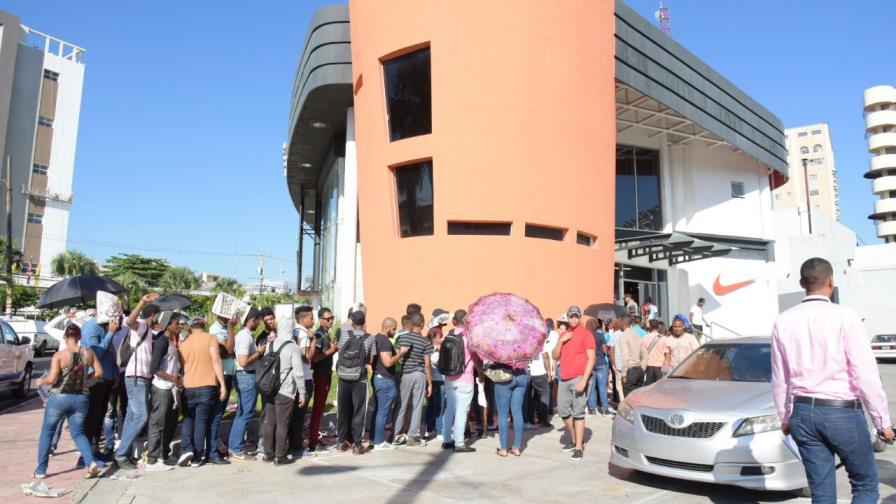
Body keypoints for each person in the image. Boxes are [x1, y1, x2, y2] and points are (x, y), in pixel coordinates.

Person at [771, 257, 894, 503]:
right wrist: (883, 423)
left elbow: (780, 377)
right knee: (865, 486)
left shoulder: (783, 321)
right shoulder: (845, 317)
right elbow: (865, 374)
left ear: (801, 283)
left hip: (803, 412)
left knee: (822, 491)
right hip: (842, 412)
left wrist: (785, 417)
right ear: (831, 282)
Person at [35, 324, 104, 479]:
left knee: (47, 433)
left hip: (59, 397)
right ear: (79, 337)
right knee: (78, 433)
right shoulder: (89, 352)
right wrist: (86, 382)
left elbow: (52, 379)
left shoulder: (59, 355)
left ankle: (40, 470)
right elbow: (99, 372)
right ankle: (90, 463)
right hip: (81, 398)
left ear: (65, 337)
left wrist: (40, 381)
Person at [114, 293, 160, 469]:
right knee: (141, 416)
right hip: (135, 378)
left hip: (142, 378)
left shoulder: (150, 333)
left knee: (132, 417)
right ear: (153, 316)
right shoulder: (141, 326)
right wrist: (142, 301)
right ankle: (121, 453)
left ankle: (123, 453)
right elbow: (129, 321)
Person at [179, 317, 228, 467]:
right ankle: (197, 455)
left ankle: (187, 449)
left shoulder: (184, 343)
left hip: (188, 386)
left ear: (190, 328)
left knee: (188, 418)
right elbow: (216, 360)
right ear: (204, 325)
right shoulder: (210, 338)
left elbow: (182, 365)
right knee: (201, 420)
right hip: (207, 385)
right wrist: (223, 384)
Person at [79, 292, 121, 459]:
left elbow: (111, 352)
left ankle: (95, 450)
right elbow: (94, 353)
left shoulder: (105, 326)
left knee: (101, 414)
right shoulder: (91, 327)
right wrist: (110, 334)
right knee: (92, 416)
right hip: (96, 378)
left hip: (108, 378)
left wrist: (116, 372)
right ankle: (86, 455)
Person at [261, 315, 307, 465]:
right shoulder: (293, 347)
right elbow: (299, 373)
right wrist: (302, 392)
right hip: (285, 390)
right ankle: (280, 456)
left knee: (270, 421)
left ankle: (268, 453)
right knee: (283, 423)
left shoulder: (271, 345)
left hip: (269, 388)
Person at [551, 306, 595, 461]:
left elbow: (591, 358)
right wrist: (561, 342)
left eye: (576, 316)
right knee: (563, 412)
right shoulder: (563, 334)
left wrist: (584, 380)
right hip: (564, 378)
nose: (574, 319)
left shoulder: (586, 334)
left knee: (578, 412)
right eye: (571, 316)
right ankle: (576, 438)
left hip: (579, 377)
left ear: (580, 317)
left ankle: (578, 448)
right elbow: (555, 356)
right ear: (567, 318)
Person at [144, 312, 183, 470]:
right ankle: (153, 458)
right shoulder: (162, 342)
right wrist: (172, 378)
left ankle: (163, 454)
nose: (179, 326)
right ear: (167, 325)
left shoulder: (171, 341)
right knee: (158, 422)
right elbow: (154, 368)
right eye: (176, 324)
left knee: (170, 422)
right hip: (162, 388)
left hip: (171, 388)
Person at [335, 309, 376, 454]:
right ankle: (357, 445)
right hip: (360, 378)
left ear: (352, 322)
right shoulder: (370, 338)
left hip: (343, 376)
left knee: (343, 409)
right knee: (359, 411)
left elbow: (340, 353)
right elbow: (371, 360)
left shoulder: (345, 334)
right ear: (364, 322)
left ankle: (341, 442)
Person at [441, 310, 479, 453]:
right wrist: (480, 372)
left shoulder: (447, 334)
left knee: (449, 409)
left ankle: (446, 440)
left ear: (454, 321)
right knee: (462, 411)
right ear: (466, 322)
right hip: (465, 378)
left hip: (449, 378)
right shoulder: (469, 338)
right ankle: (459, 443)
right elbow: (475, 358)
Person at [229, 308, 265, 461]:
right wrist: (259, 352)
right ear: (252, 320)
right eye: (258, 320)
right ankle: (235, 447)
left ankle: (234, 445)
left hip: (246, 377)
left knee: (242, 412)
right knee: (245, 414)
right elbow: (243, 361)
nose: (259, 323)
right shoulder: (244, 337)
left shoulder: (245, 335)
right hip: (246, 376)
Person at [394, 312, 434, 447]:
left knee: (402, 405)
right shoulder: (426, 341)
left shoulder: (402, 338)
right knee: (417, 406)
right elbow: (427, 364)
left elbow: (398, 355)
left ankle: (396, 435)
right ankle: (412, 437)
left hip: (406, 374)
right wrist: (430, 383)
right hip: (420, 374)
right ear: (422, 324)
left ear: (411, 324)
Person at [370, 318, 409, 450]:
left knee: (378, 410)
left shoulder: (376, 339)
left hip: (378, 377)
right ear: (387, 328)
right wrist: (401, 353)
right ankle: (379, 442)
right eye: (394, 328)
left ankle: (373, 439)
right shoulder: (385, 341)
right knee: (383, 412)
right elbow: (387, 362)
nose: (395, 331)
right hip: (385, 379)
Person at [207, 313, 236, 463]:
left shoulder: (223, 327)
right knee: (216, 414)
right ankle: (212, 452)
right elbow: (228, 351)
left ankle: (213, 448)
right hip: (221, 376)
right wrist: (231, 327)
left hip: (228, 374)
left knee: (218, 413)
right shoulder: (216, 329)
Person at [290, 305, 317, 458]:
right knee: (299, 416)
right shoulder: (304, 335)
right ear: (302, 319)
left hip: (293, 378)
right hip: (304, 378)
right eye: (311, 318)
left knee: (293, 415)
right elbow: (307, 358)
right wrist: (313, 340)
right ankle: (297, 449)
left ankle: (291, 446)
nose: (313, 320)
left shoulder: (293, 331)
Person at [309, 307, 336, 453]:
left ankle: (315, 439)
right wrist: (330, 351)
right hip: (320, 376)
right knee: (318, 410)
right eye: (327, 318)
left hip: (326, 375)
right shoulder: (319, 335)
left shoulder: (326, 334)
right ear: (320, 320)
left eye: (332, 318)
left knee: (319, 409)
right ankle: (313, 442)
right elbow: (314, 359)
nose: (331, 321)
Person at [493, 353, 530, 457]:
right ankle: (517, 448)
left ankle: (503, 449)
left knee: (503, 414)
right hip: (521, 374)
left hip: (504, 374)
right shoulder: (525, 340)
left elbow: (493, 357)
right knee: (517, 412)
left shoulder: (500, 341)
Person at [526, 315, 557, 427]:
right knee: (544, 394)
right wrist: (549, 372)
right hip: (540, 372)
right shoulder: (540, 340)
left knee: (532, 398)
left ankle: (530, 419)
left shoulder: (528, 341)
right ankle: (542, 419)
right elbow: (545, 356)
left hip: (530, 372)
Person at [425, 309, 450, 440]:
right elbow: (435, 363)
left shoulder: (433, 339)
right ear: (435, 338)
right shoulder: (434, 349)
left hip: (434, 379)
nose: (443, 339)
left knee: (433, 405)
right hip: (438, 379)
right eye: (441, 337)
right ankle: (439, 431)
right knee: (439, 405)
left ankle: (429, 428)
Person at [586, 318, 611, 416]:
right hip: (601, 363)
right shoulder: (600, 335)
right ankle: (604, 408)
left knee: (591, 387)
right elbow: (605, 350)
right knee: (602, 387)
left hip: (590, 364)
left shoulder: (586, 336)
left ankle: (592, 408)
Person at [618, 315, 643, 397]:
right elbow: (645, 354)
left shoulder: (623, 336)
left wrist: (624, 374)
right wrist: (643, 368)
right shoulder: (638, 335)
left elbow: (625, 357)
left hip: (630, 371)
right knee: (638, 398)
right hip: (639, 370)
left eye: (619, 322)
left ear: (622, 323)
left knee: (629, 400)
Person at [641, 319, 668, 386]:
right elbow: (667, 355)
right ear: (658, 327)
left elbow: (642, 354)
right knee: (659, 388)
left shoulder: (644, 338)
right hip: (660, 366)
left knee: (649, 387)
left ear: (649, 327)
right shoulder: (664, 338)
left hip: (648, 366)